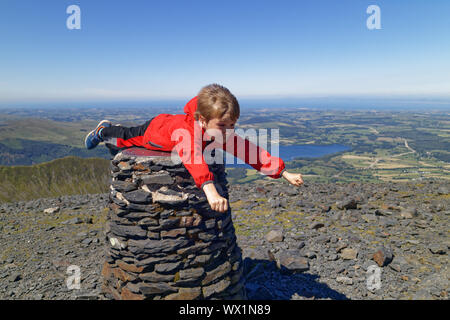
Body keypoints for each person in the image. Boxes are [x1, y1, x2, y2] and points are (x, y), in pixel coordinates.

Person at [85, 83, 304, 212]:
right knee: (124, 137)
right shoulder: (187, 135)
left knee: (124, 140)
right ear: (201, 119)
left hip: (168, 124)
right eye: (223, 125)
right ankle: (103, 131)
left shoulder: (220, 132)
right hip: (155, 130)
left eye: (232, 125)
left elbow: (248, 151)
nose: (228, 130)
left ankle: (108, 134)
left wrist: (283, 172)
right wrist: (210, 191)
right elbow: (193, 157)